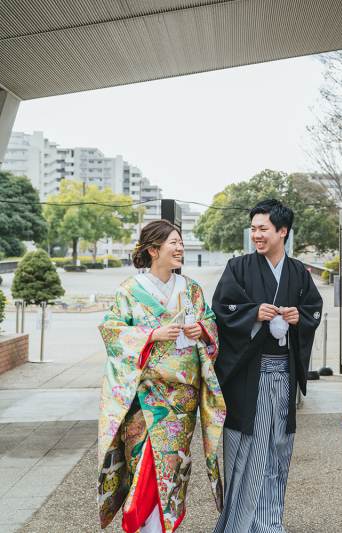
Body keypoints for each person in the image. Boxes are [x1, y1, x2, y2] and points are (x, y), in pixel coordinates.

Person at [97, 220, 226, 533]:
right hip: (143, 396)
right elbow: (112, 333)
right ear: (153, 250)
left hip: (181, 399)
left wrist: (203, 331)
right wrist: (152, 333)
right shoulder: (129, 291)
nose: (180, 248)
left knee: (171, 465)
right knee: (142, 466)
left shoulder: (191, 289)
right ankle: (146, 527)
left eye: (180, 242)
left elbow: (210, 326)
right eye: (173, 242)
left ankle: (161, 528)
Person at [212, 199, 322, 533]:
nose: (256, 235)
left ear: (282, 232)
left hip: (283, 375)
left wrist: (296, 317)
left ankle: (271, 522)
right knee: (249, 449)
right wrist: (252, 314)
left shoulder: (298, 272)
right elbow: (222, 308)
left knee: (277, 448)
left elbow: (313, 310)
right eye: (254, 228)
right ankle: (240, 526)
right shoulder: (238, 267)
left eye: (264, 229)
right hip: (250, 377)